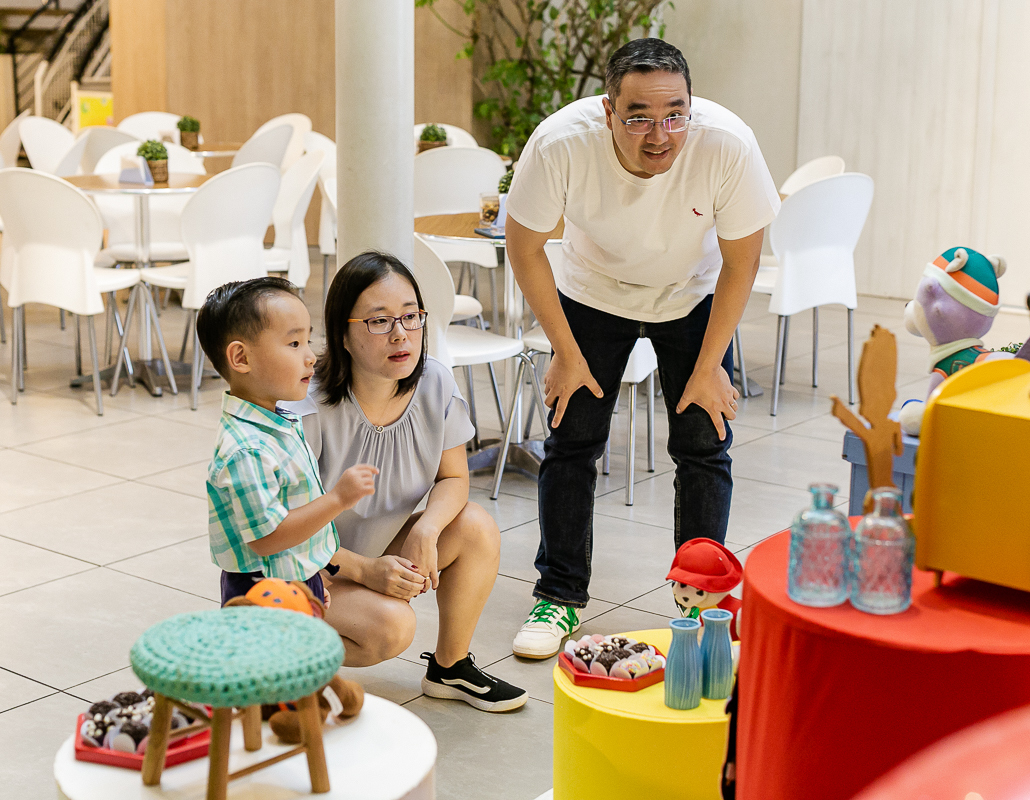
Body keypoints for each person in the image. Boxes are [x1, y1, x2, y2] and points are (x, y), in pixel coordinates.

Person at [504, 38, 781, 658]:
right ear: (608, 110)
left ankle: (705, 599)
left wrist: (710, 366)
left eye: (675, 114)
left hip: (692, 291)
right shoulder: (560, 144)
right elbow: (524, 249)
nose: (660, 135)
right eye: (638, 117)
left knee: (703, 441)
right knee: (572, 441)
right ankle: (558, 595)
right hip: (592, 290)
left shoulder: (726, 143)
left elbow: (743, 260)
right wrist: (565, 350)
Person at [283, 251, 527, 713]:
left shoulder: (433, 380)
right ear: (343, 334)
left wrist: (426, 529)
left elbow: (454, 476)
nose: (401, 334)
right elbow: (286, 528)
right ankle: (283, 662)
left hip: (373, 550)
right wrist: (361, 570)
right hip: (304, 568)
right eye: (379, 321)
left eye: (411, 317)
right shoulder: (308, 405)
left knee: (474, 526)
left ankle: (450, 668)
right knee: (392, 627)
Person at [197, 277, 378, 608]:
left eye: (308, 341)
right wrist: (338, 498)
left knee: (300, 657)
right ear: (241, 358)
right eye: (294, 344)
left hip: (292, 575)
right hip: (263, 587)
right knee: (273, 660)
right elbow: (268, 538)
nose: (310, 357)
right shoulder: (248, 449)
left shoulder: (275, 420)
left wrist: (309, 575)